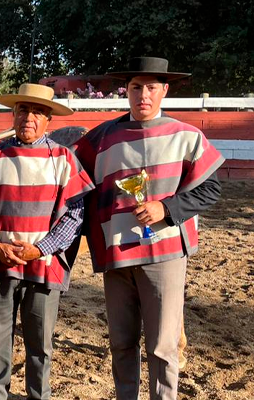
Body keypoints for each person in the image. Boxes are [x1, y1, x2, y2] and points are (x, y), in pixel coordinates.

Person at [72, 57, 224, 400]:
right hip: (117, 254)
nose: (143, 94)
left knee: (161, 347)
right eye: (136, 87)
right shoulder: (101, 138)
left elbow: (211, 188)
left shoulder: (186, 136)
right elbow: (72, 179)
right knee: (121, 343)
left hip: (165, 253)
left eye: (151, 87)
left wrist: (166, 209)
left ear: (164, 90)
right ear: (126, 90)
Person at [0, 83, 94, 399]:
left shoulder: (64, 159)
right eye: (23, 110)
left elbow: (74, 216)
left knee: (40, 348)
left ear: (49, 118)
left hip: (44, 267)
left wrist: (40, 249)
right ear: (14, 113)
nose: (28, 118)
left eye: (37, 111)